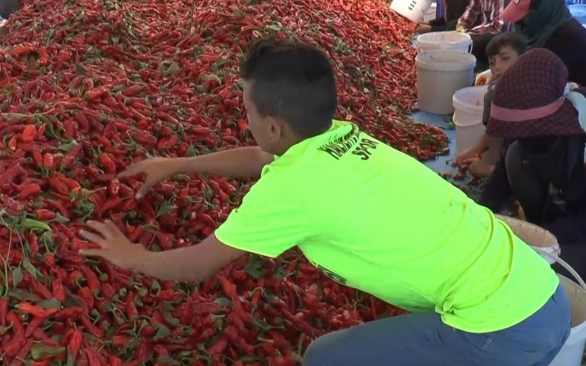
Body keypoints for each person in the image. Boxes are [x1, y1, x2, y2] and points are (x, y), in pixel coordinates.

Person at [78, 39, 570, 365]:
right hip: (542, 292)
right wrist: (176, 164)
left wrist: (131, 256)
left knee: (325, 357)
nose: (244, 118)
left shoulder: (291, 189)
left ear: (272, 124)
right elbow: (260, 157)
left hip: (504, 330)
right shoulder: (340, 136)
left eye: (246, 109)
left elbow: (198, 264)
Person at [483, 48, 586, 276]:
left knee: (543, 271)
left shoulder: (581, 133)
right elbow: (502, 171)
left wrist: (538, 236)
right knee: (515, 156)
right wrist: (481, 214)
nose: (521, 136)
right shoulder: (536, 132)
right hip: (567, 207)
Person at [457, 32, 527, 178]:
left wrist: (488, 170)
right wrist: (475, 150)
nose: (497, 67)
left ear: (524, 59)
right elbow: (494, 130)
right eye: (492, 62)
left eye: (505, 58)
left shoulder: (532, 93)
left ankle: (499, 176)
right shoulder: (496, 92)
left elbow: (534, 160)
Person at [502, 0, 586, 85]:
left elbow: (542, 85)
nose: (519, 23)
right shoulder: (543, 31)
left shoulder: (565, 39)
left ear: (541, 12)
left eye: (525, 17)